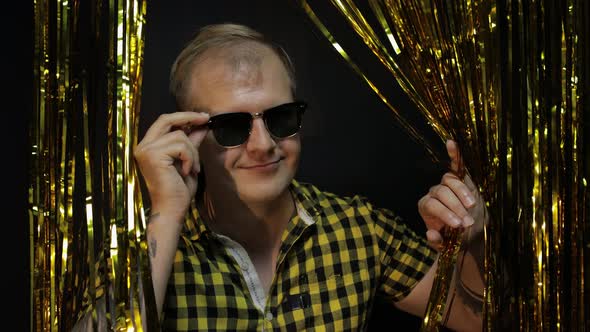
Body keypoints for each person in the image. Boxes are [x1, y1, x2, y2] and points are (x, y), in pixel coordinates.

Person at [79, 23, 486, 331]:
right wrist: (166, 214)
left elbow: (477, 321)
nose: (262, 145)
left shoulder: (360, 228)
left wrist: (472, 241)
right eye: (232, 127)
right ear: (186, 137)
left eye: (280, 118)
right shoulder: (145, 247)